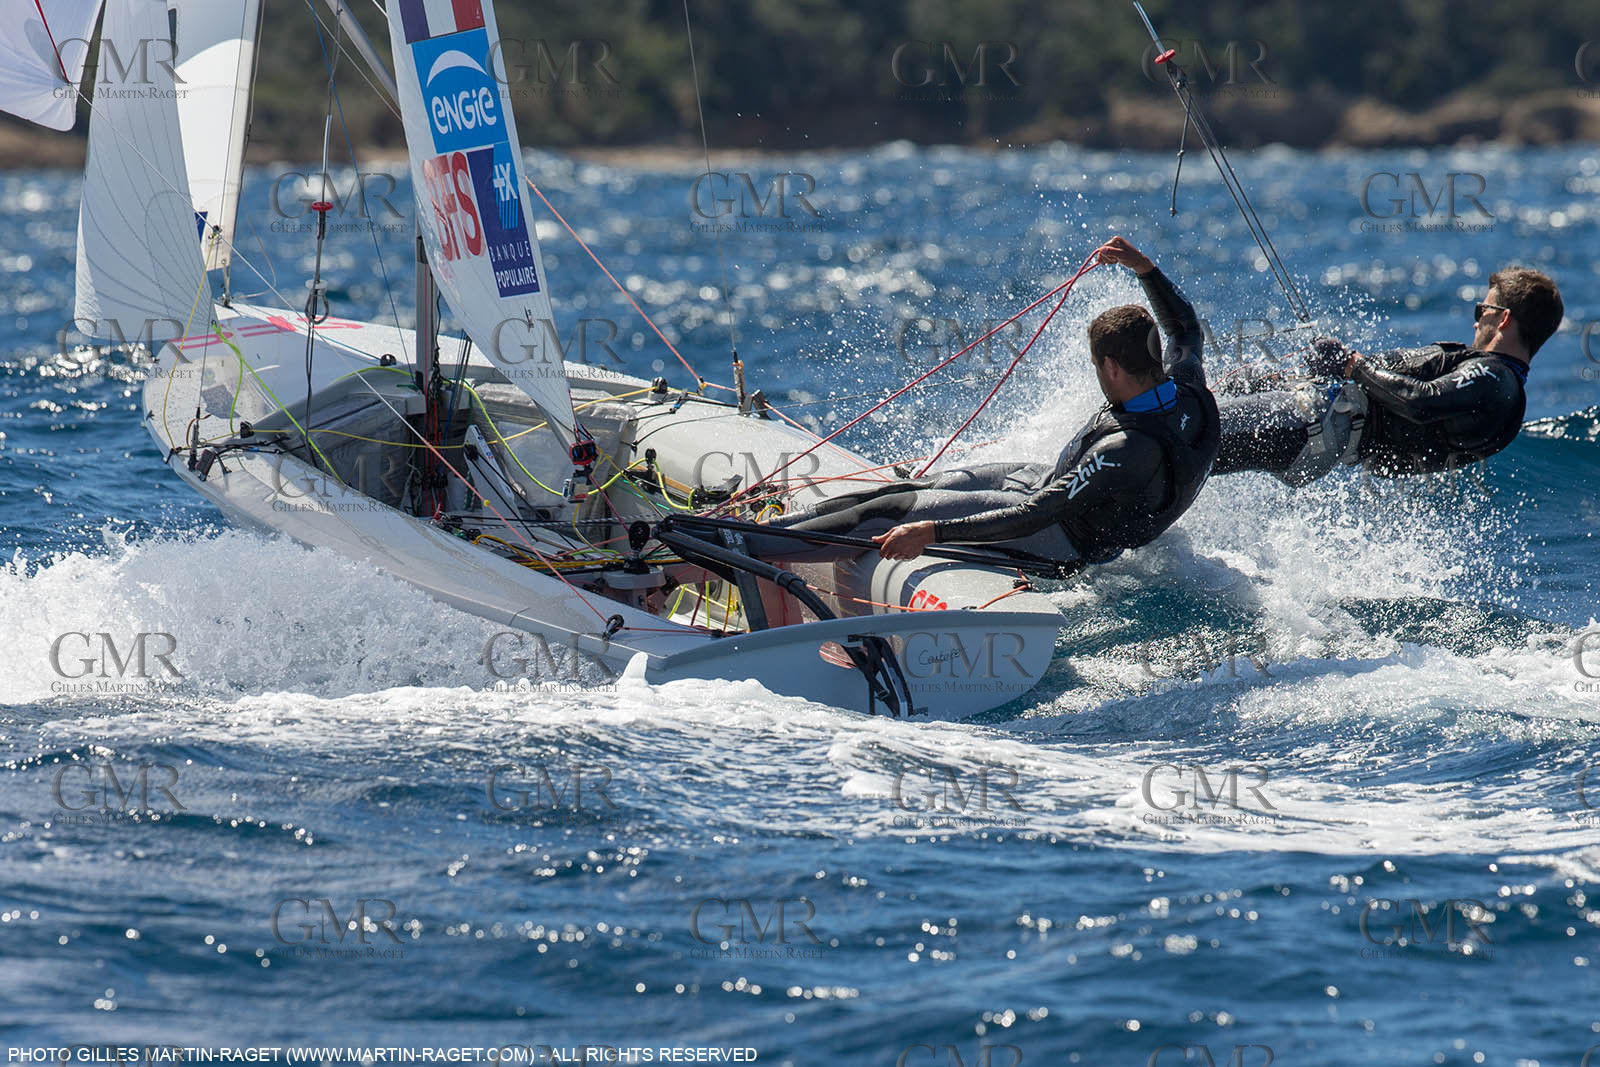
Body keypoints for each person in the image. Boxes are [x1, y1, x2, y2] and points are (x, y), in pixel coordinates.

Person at [736, 236, 1220, 571]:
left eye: (1097, 367)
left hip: (1060, 538)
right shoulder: (1186, 386)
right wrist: (1147, 271)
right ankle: (769, 527)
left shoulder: (1125, 451)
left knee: (891, 514)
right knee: (919, 488)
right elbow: (1184, 329)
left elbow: (1035, 515)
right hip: (1052, 486)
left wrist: (932, 534)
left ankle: (738, 546)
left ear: (1112, 366)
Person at [1212, 267, 1562, 484]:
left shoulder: (1492, 376)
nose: (1475, 320)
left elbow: (1421, 401)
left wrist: (1352, 365)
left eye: (1482, 309)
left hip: (1314, 424)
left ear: (1502, 319)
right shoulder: (1499, 390)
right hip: (1318, 427)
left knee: (1198, 426)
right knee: (1216, 401)